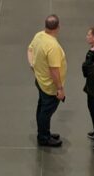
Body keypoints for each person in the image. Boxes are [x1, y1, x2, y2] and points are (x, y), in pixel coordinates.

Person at [27, 14, 67, 147]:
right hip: (50, 87)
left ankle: (44, 132)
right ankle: (43, 137)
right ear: (58, 27)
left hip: (40, 81)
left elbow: (30, 49)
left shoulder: (39, 35)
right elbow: (54, 71)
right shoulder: (53, 46)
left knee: (42, 108)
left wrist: (33, 66)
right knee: (46, 112)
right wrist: (60, 89)